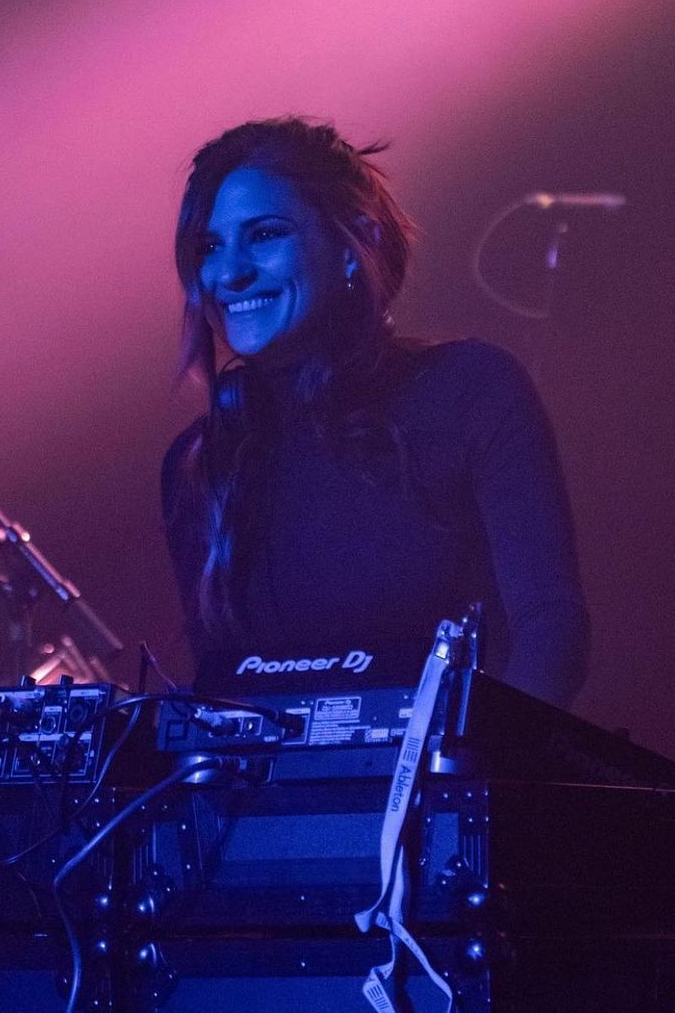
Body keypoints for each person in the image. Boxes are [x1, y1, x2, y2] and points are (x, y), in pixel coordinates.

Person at [162, 117, 589, 707]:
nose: (230, 272)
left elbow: (551, 631)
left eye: (265, 235)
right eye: (209, 247)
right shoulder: (199, 460)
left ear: (351, 245)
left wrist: (469, 757)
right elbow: (226, 691)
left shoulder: (470, 391)